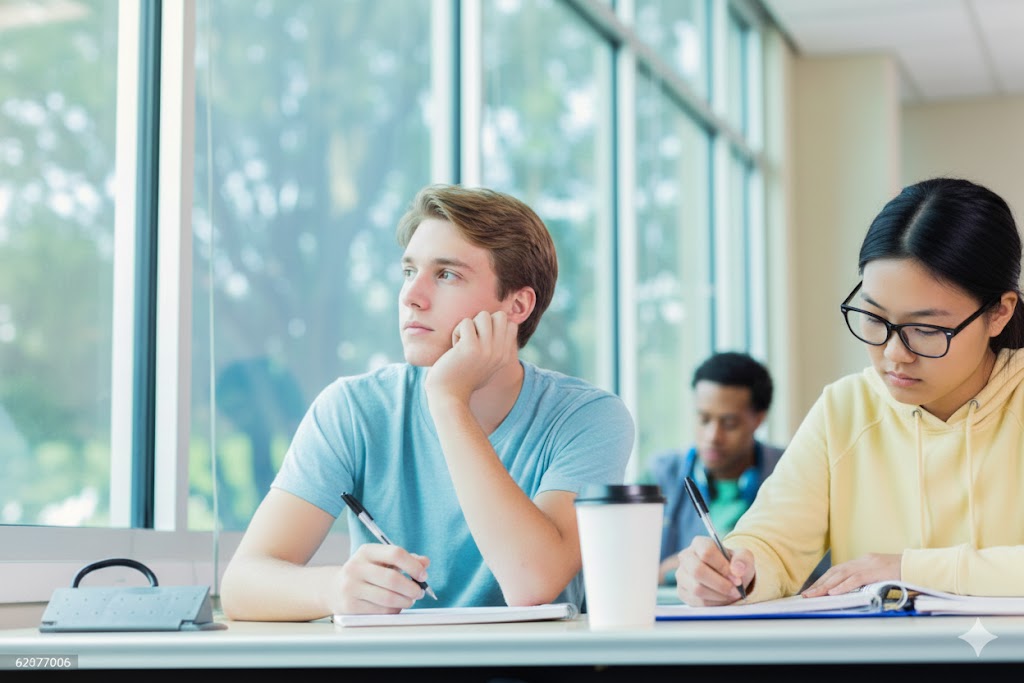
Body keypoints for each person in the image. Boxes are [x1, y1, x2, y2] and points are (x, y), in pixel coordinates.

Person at [220, 184, 635, 621]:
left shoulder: (589, 418)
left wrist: (448, 400)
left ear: (517, 305)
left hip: (530, 662)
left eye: (446, 275)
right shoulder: (353, 409)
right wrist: (333, 589)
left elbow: (532, 585)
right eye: (408, 271)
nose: (411, 296)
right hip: (398, 660)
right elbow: (242, 585)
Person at [675, 176, 1024, 606]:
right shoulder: (844, 409)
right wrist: (733, 573)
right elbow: (771, 543)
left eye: (926, 329)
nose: (894, 353)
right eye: (875, 319)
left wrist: (909, 569)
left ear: (999, 313)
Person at [648, 352, 783, 585]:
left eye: (729, 424)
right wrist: (667, 572)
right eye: (703, 419)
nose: (712, 436)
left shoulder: (789, 472)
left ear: (759, 419)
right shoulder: (659, 476)